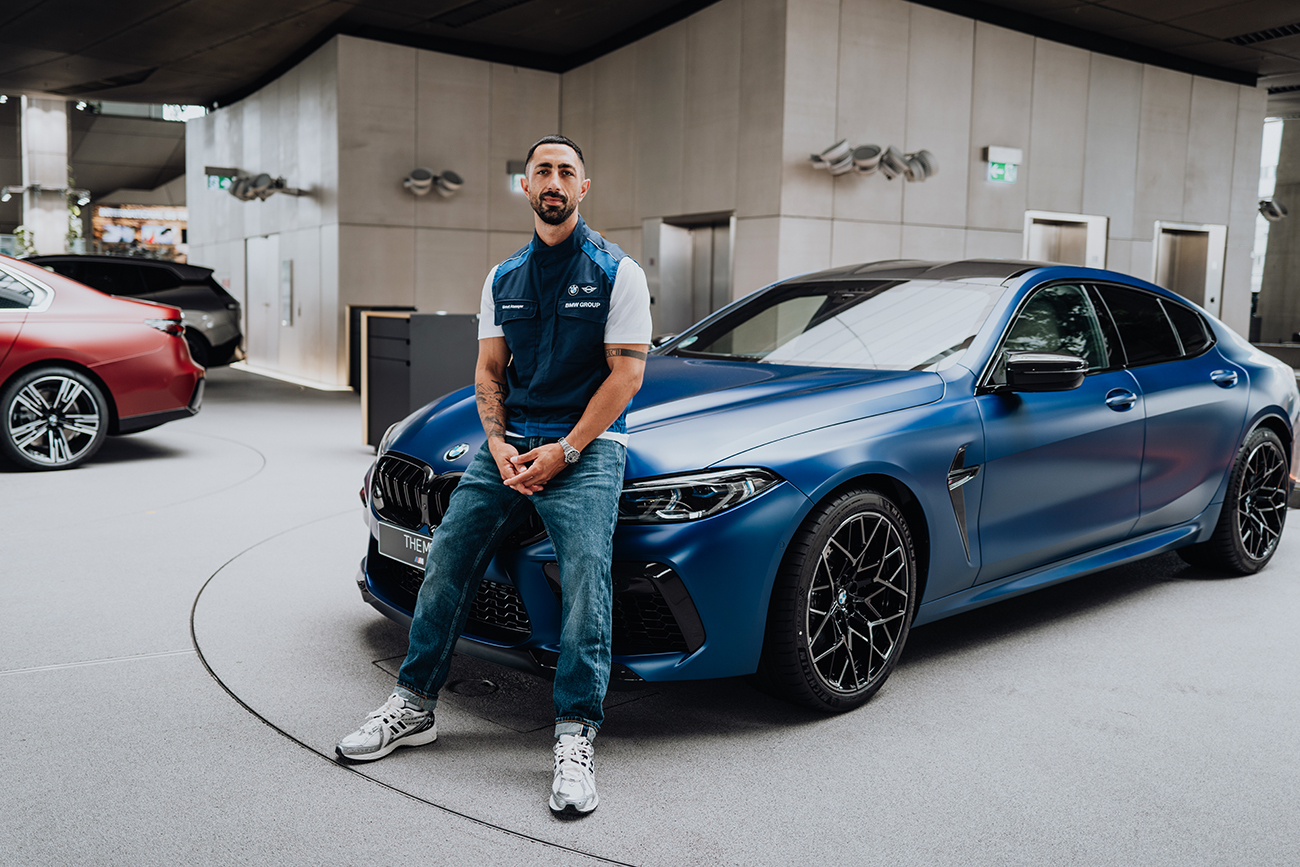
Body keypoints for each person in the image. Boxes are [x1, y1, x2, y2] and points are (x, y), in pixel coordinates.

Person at [336, 135, 652, 817]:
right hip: (511, 443)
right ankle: (414, 704)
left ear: (583, 188)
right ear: (527, 185)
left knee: (585, 573)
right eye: (544, 169)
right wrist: (499, 444)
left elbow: (628, 373)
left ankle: (573, 734)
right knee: (448, 555)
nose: (555, 180)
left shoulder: (618, 272)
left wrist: (565, 449)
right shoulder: (502, 276)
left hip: (589, 446)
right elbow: (488, 371)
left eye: (568, 170)